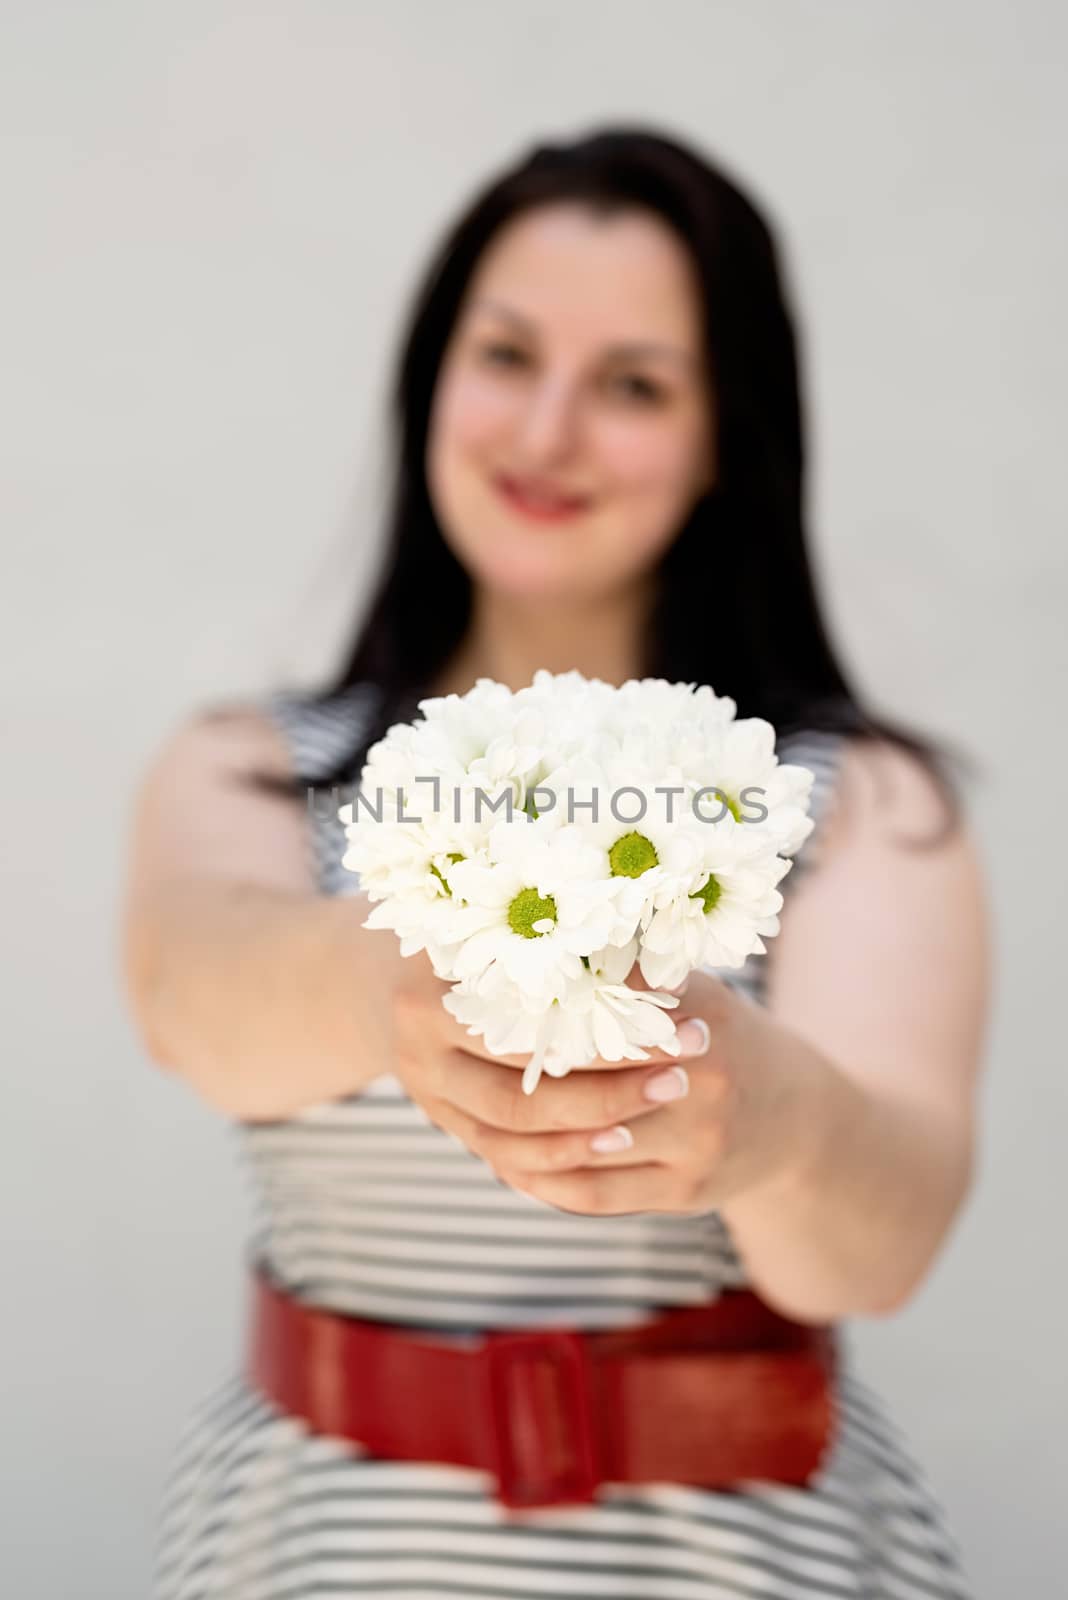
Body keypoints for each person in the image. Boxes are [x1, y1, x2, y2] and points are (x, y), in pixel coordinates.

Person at [122, 125, 991, 1599]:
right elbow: (192, 996)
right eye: (508, 356)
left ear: (730, 434)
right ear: (429, 381)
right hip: (318, 1552)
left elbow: (878, 1247)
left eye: (635, 385)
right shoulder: (253, 763)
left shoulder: (858, 801)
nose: (547, 434)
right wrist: (406, 967)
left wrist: (764, 1110)